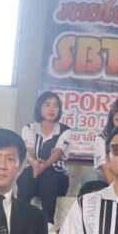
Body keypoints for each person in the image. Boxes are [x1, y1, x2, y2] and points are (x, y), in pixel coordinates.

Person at [16, 92, 72, 224]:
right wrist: (34, 163)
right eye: (47, 104)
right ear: (39, 107)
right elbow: (29, 150)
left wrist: (44, 165)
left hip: (57, 180)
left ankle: (48, 223)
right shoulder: (29, 128)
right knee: (27, 172)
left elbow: (57, 152)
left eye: (56, 106)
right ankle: (18, 220)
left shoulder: (65, 130)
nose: (52, 109)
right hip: (33, 176)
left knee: (49, 173)